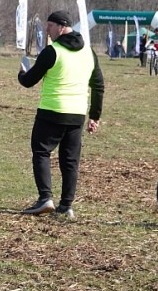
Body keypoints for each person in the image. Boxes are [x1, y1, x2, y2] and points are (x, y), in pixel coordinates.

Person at [17, 11, 105, 220]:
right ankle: (66, 207)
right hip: (76, 114)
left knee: (41, 152)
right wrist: (95, 116)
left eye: (49, 26)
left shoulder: (52, 51)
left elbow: (29, 81)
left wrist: (22, 72)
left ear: (61, 26)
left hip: (52, 111)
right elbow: (98, 85)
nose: (47, 31)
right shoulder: (89, 52)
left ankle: (45, 198)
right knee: (70, 161)